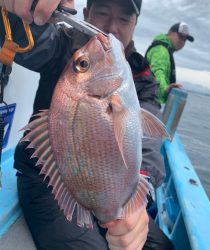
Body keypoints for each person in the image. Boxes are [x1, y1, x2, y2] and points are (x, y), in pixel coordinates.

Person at [0, 0, 174, 249]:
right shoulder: (61, 45)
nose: (112, 27)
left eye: (124, 19)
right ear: (85, 14)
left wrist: (134, 203)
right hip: (48, 183)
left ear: (135, 25)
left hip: (111, 186)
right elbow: (25, 36)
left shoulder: (142, 77)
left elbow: (146, 142)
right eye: (103, 13)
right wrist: (14, 10)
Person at [145, 22, 194, 104]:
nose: (182, 41)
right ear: (170, 33)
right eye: (180, 36)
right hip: (147, 100)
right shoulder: (161, 50)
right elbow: (157, 71)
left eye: (185, 39)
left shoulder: (164, 49)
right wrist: (165, 89)